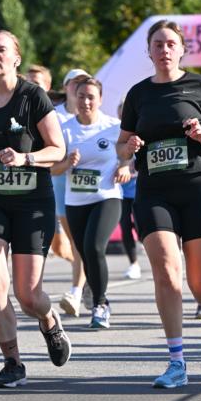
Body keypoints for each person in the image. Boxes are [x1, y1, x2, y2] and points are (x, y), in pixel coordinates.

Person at [116, 19, 201, 388]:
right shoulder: (138, 94)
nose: (164, 49)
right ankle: (176, 362)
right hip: (155, 191)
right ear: (149, 51)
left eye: (171, 43)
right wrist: (129, 148)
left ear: (182, 50)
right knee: (168, 273)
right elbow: (122, 146)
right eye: (158, 44)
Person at [0, 30, 71, 387]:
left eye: (1, 50)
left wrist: (25, 158)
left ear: (16, 58)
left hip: (33, 201)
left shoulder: (32, 97)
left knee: (28, 295)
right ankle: (13, 362)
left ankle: (49, 321)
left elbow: (58, 149)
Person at [54, 77, 130, 329]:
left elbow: (128, 155)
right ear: (74, 98)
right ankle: (95, 287)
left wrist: (124, 167)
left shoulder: (113, 127)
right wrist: (67, 163)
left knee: (94, 247)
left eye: (91, 97)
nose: (85, 102)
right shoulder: (64, 129)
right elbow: (53, 169)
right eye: (81, 96)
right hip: (75, 201)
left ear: (100, 100)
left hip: (106, 197)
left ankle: (100, 304)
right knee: (85, 253)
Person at [26, 63, 73, 264]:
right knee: (58, 247)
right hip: (30, 185)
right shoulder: (18, 110)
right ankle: (83, 266)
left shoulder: (56, 116)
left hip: (58, 185)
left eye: (36, 83)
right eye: (27, 82)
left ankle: (85, 271)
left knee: (68, 242)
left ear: (47, 86)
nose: (30, 86)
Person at [55, 68, 91, 316]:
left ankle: (76, 291)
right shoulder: (54, 115)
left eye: (83, 82)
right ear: (66, 86)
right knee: (64, 245)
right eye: (74, 82)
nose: (78, 86)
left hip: (89, 189)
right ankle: (88, 277)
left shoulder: (94, 112)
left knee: (81, 242)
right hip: (59, 184)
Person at [117, 99, 141, 280]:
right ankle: (134, 263)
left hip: (141, 190)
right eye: (121, 110)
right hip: (120, 191)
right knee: (125, 227)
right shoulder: (112, 131)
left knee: (142, 228)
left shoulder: (142, 130)